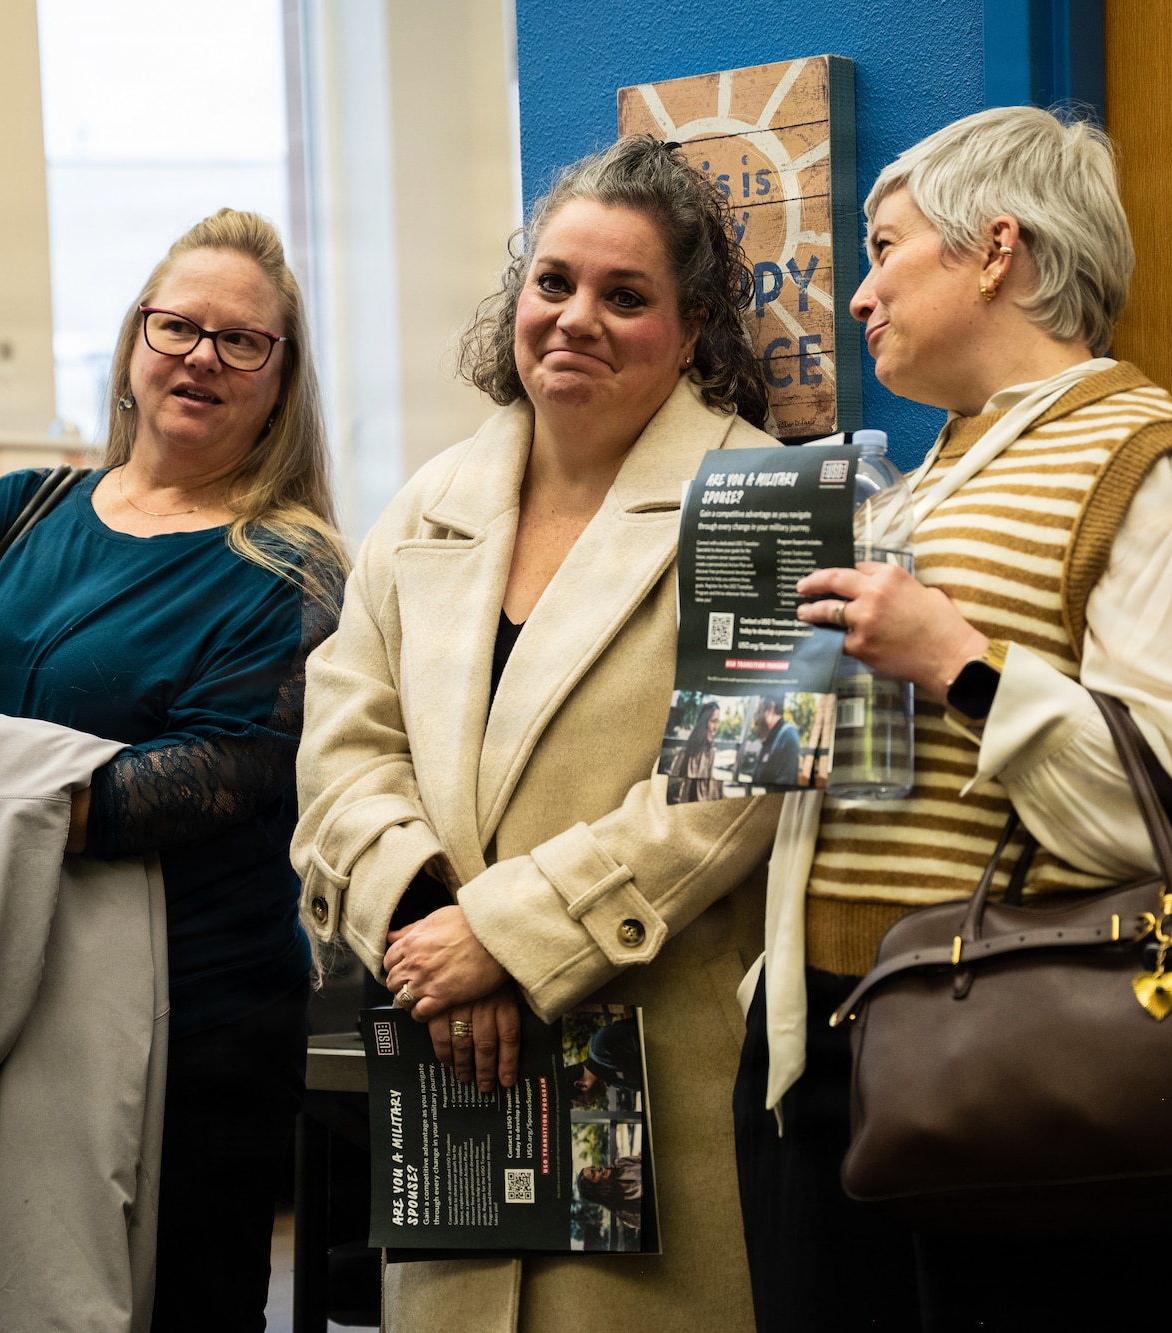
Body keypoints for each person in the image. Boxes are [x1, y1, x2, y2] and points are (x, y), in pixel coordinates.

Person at [734, 105, 1172, 1330]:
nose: (856, 293)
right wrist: (756, 715)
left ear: (994, 249)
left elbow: (1167, 814)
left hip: (1015, 1063)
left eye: (883, 248)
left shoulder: (1155, 467)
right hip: (814, 1055)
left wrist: (958, 663)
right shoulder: (906, 481)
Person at [0, 209, 343, 1329]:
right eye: (176, 326)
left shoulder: (289, 570)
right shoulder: (21, 511)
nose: (201, 355)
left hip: (177, 1036)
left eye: (241, 340)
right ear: (133, 343)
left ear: (280, 379)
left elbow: (227, 768)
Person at [292, 135, 782, 1333]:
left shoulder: (772, 500)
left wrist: (506, 937)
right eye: (552, 282)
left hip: (666, 1092)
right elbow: (342, 747)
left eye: (626, 297)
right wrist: (427, 928)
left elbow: (740, 786)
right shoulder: (426, 502)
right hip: (453, 1076)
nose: (575, 319)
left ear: (695, 324)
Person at [666, 700, 725, 802]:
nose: (716, 727)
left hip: (704, 797)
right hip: (691, 797)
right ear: (704, 722)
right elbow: (676, 771)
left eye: (717, 721)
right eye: (713, 721)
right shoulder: (691, 748)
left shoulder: (711, 749)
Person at [748, 695, 800, 788]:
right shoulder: (771, 737)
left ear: (771, 708)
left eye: (759, 712)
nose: (756, 721)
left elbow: (785, 784)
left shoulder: (788, 735)